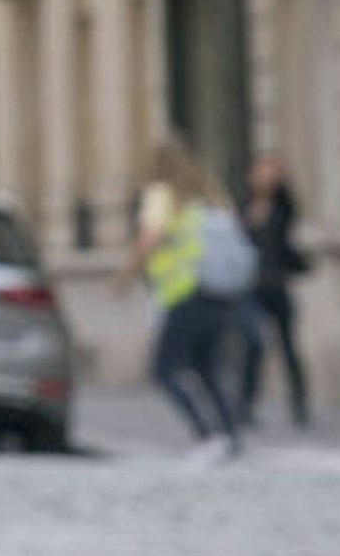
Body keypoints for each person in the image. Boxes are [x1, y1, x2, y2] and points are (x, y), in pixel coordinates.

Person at [132, 134, 251, 465]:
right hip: (220, 294)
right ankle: (230, 436)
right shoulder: (212, 197)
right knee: (207, 369)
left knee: (164, 370)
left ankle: (207, 435)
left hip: (184, 294)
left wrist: (125, 276)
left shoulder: (161, 195)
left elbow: (149, 239)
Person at [232, 151, 311, 427]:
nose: (269, 176)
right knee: (254, 345)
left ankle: (300, 404)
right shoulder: (244, 205)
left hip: (277, 283)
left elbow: (288, 236)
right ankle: (245, 404)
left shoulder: (283, 205)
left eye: (274, 171)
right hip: (251, 287)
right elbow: (239, 239)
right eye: (264, 170)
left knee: (289, 346)